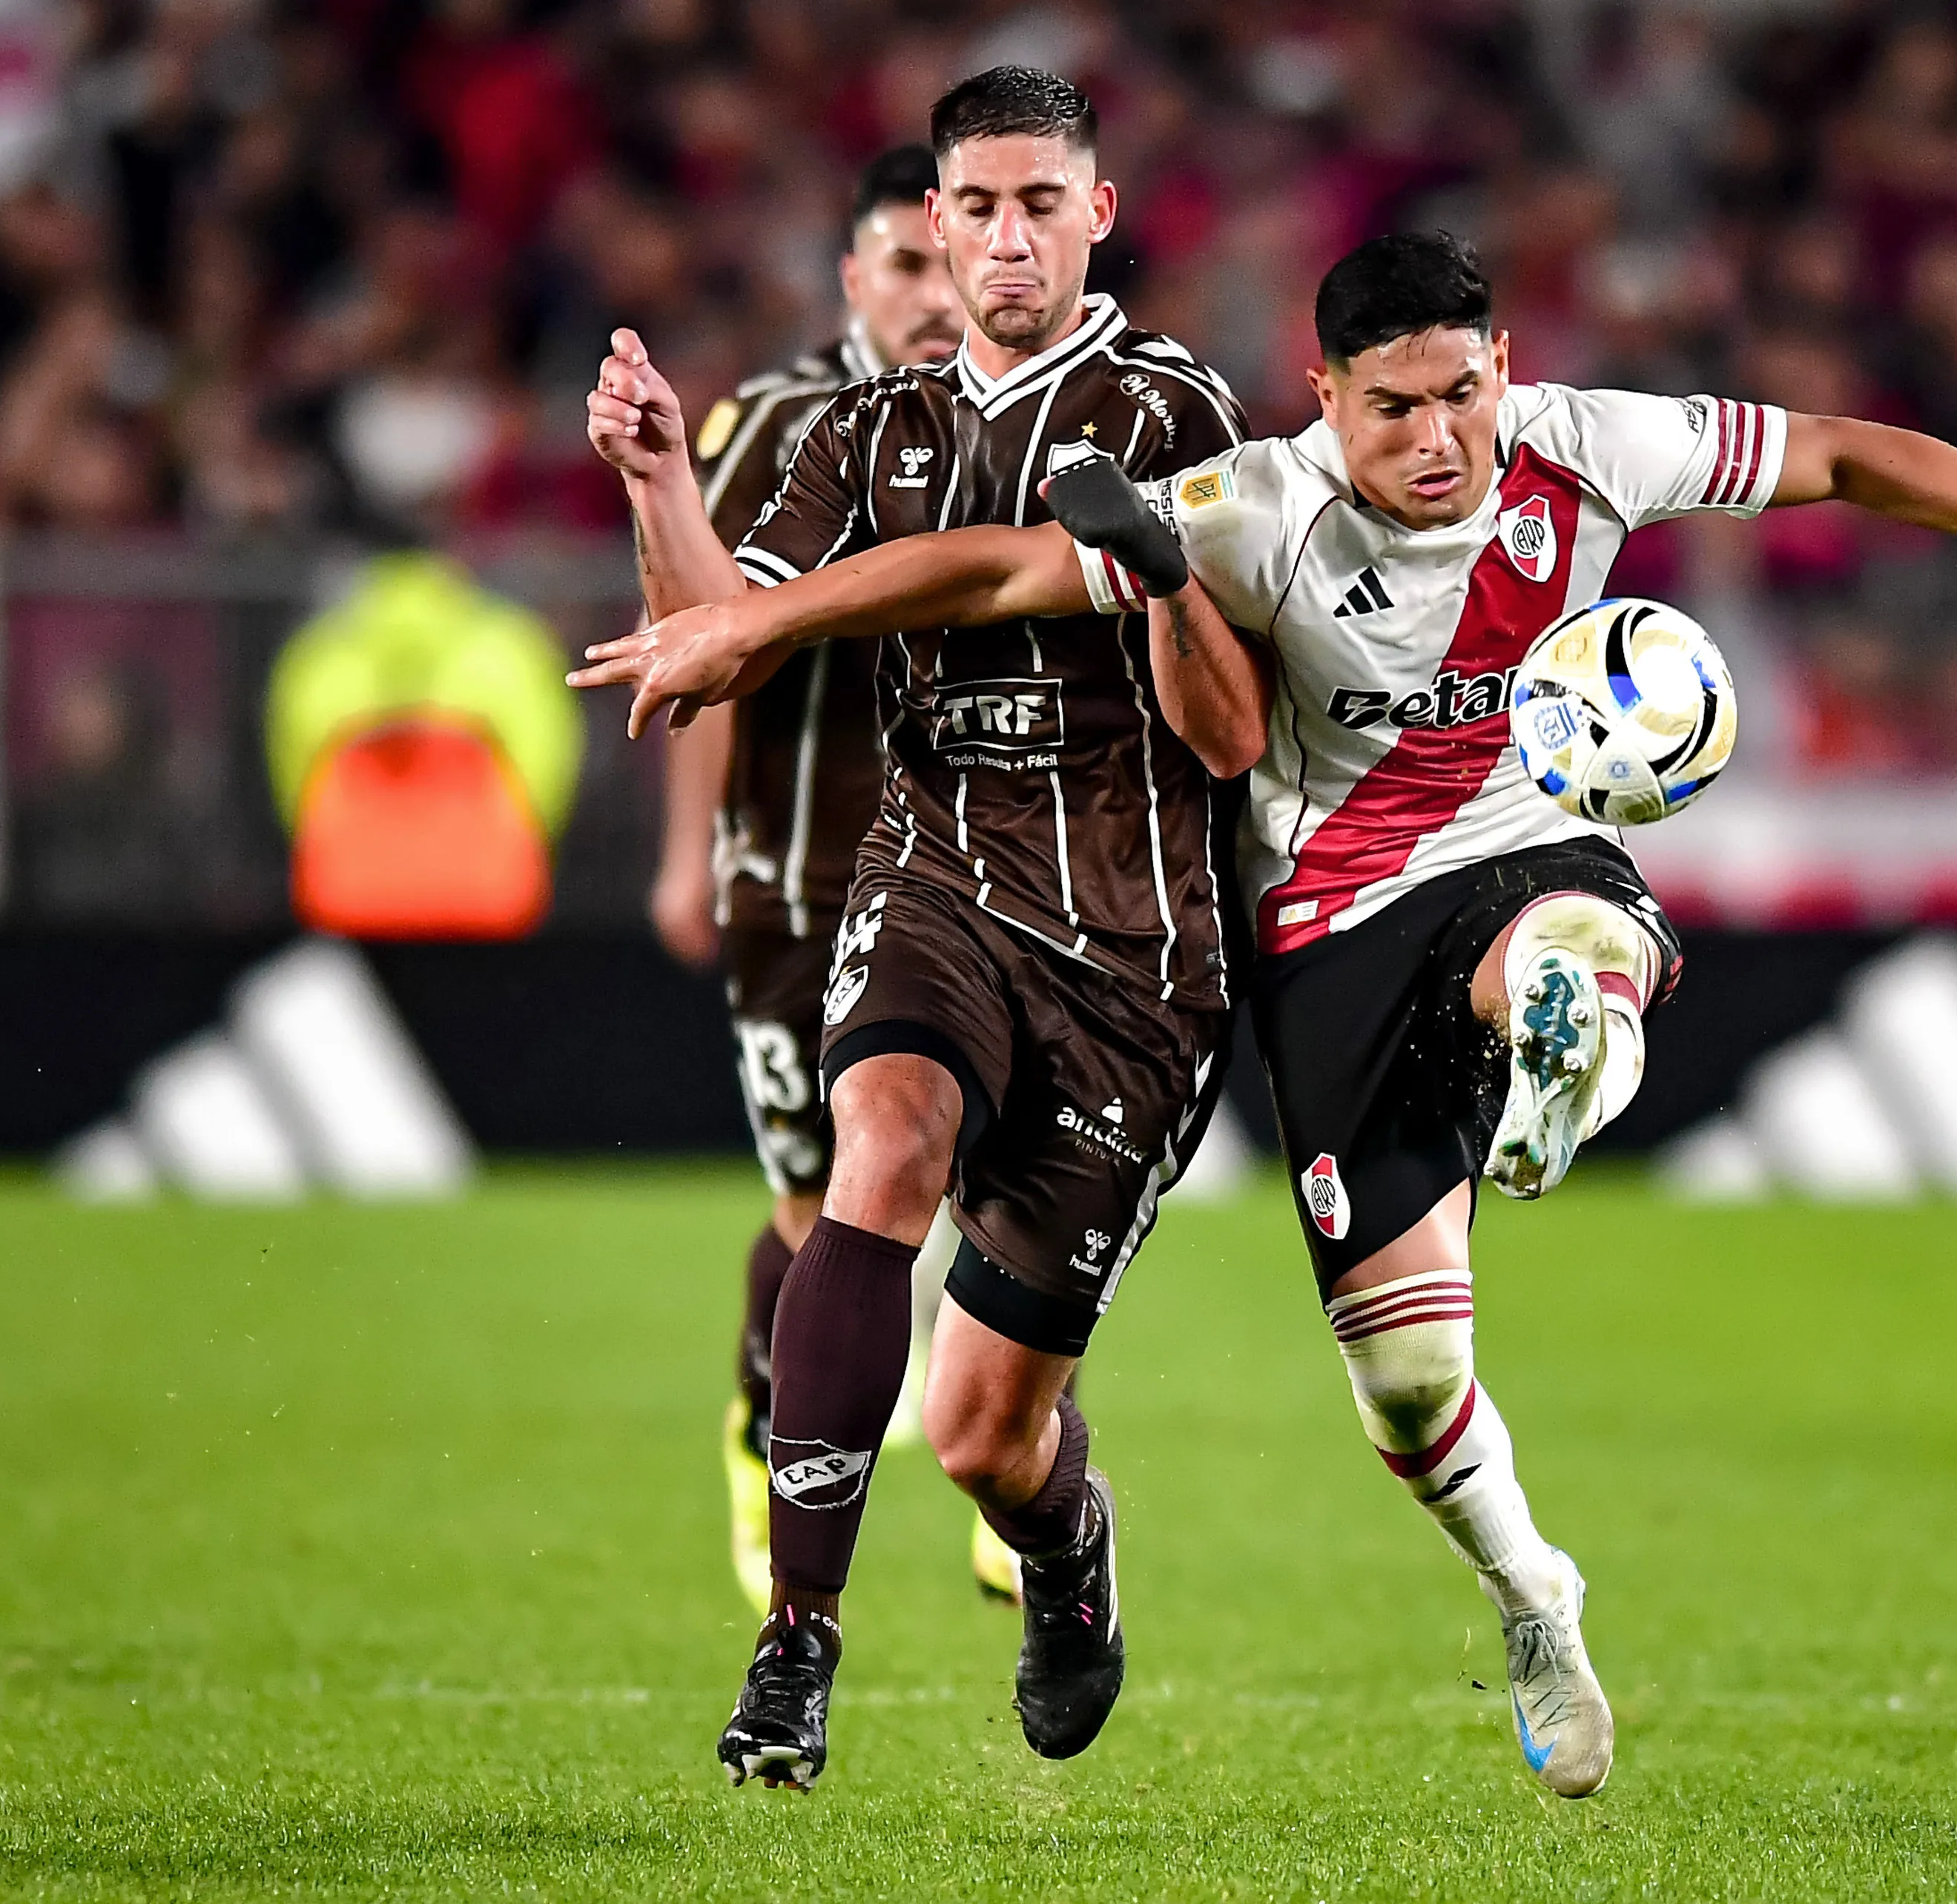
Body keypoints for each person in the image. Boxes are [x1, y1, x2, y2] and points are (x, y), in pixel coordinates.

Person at [573, 231, 1957, 1798]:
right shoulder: (1249, 505)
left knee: (1568, 931)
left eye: (1462, 393)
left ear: (1504, 366)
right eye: (1393, 406)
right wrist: (756, 616)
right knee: (1408, 1390)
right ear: (1325, 397)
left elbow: (1844, 455)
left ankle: (1566, 1030)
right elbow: (998, 569)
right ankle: (1532, 1596)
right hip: (1328, 932)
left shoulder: (1585, 445)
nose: (1439, 439)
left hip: (1522, 848)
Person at [585, 67, 1244, 1793]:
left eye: (1042, 202)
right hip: (935, 871)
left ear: (1097, 217)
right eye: (977, 206)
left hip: (1127, 940)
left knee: (979, 1432)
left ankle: (1066, 1536)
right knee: (870, 1153)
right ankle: (795, 1641)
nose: (1007, 237)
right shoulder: (865, 433)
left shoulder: (1166, 412)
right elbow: (719, 625)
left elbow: (1034, 602)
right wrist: (661, 492)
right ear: (934, 226)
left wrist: (767, 614)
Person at [621, 145, 1017, 1619]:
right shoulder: (773, 422)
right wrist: (686, 853)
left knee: (1012, 1186)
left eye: (951, 258)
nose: (936, 291)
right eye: (905, 265)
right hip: (798, 883)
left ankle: (1007, 1449)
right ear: (854, 277)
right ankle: (758, 1419)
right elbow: (695, 640)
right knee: (820, 1219)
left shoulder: (1040, 418)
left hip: (988, 881)